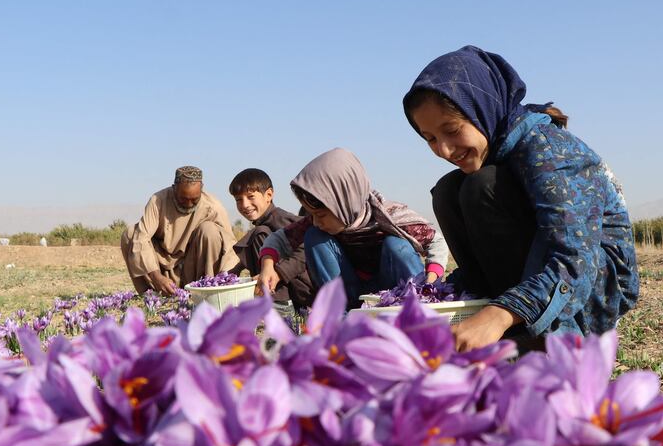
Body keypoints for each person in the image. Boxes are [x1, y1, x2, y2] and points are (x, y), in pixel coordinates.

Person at [402, 45, 639, 352]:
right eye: (431, 138)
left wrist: (499, 316)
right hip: (542, 273)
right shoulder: (498, 150)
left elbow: (574, 258)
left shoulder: (550, 150)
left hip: (593, 286)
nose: (444, 150)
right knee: (448, 190)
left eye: (452, 129)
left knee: (481, 186)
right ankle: (499, 313)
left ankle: (542, 338)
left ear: (481, 108)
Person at [256, 148, 449, 309]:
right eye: (311, 215)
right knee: (315, 237)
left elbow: (436, 241)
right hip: (353, 292)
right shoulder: (318, 223)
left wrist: (430, 282)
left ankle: (417, 308)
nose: (315, 221)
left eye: (321, 215)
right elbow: (279, 239)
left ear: (343, 203)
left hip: (394, 292)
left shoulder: (390, 217)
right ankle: (340, 317)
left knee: (396, 245)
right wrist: (268, 266)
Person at [121, 166, 240, 296]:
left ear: (202, 189)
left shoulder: (213, 207)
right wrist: (156, 277)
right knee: (131, 234)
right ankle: (150, 294)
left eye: (194, 200)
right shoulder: (158, 201)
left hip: (194, 269)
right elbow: (141, 238)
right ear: (174, 188)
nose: (189, 204)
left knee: (209, 230)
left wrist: (227, 280)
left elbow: (230, 248)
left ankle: (206, 290)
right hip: (161, 270)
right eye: (183, 199)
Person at [228, 168, 314, 308]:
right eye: (239, 199)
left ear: (268, 195)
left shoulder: (280, 219)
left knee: (259, 234)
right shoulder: (264, 223)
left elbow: (307, 248)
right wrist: (233, 273)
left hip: (304, 291)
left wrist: (279, 272)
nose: (244, 205)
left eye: (250, 197)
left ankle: (277, 304)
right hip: (294, 289)